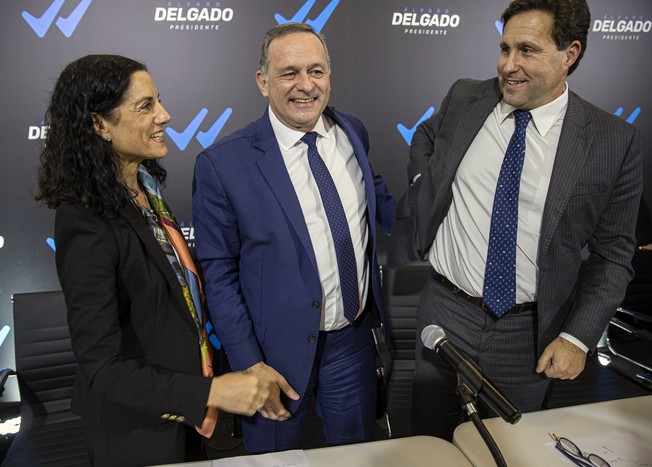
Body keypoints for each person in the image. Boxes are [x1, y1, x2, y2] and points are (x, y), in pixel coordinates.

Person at [396, 0, 642, 440]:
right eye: (505, 48)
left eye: (527, 50)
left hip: (529, 335)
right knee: (430, 444)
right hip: (445, 314)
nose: (509, 65)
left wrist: (578, 338)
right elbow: (427, 136)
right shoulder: (467, 96)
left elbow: (614, 255)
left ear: (570, 54)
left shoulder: (612, 141)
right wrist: (423, 181)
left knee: (511, 449)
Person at [35, 54, 270, 466]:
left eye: (158, 100)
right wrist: (212, 393)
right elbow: (102, 368)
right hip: (135, 432)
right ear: (99, 124)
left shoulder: (146, 193)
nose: (165, 114)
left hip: (183, 417)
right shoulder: (85, 220)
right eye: (145, 106)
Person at [192, 23, 396, 453]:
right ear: (263, 82)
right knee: (272, 462)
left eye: (317, 71)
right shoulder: (222, 164)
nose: (305, 85)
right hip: (272, 358)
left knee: (356, 458)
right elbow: (218, 274)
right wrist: (249, 364)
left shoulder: (352, 132)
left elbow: (380, 205)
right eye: (289, 73)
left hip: (350, 343)